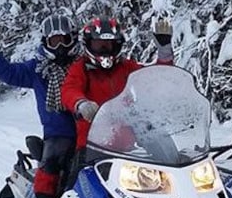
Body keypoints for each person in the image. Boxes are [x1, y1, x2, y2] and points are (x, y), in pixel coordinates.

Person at [0, 14, 80, 198]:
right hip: (58, 133)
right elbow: (9, 74)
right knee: (52, 161)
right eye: (54, 41)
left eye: (64, 39)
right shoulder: (37, 69)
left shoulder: (84, 66)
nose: (60, 46)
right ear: (46, 42)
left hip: (90, 129)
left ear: (73, 39)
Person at [60, 17, 174, 151]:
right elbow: (69, 89)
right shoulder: (81, 68)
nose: (104, 49)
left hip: (129, 147)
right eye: (99, 44)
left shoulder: (125, 66)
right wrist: (81, 103)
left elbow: (153, 76)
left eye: (109, 44)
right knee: (81, 171)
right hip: (93, 146)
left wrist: (164, 52)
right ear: (88, 44)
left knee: (162, 159)